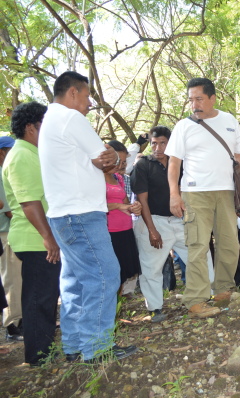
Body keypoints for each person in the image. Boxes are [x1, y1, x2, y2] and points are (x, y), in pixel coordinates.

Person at [38, 71, 137, 363]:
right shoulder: (71, 118)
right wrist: (117, 159)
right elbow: (108, 159)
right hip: (81, 213)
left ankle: (74, 345)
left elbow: (104, 160)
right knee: (105, 275)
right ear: (72, 93)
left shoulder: (50, 121)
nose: (90, 103)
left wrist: (111, 159)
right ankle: (97, 348)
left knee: (75, 281)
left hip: (62, 214)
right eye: (86, 95)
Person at [166, 77, 240, 317]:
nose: (194, 104)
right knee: (198, 246)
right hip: (194, 193)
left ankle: (223, 291)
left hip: (226, 192)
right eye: (191, 99)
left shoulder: (229, 121)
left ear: (213, 98)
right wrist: (174, 194)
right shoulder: (183, 126)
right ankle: (196, 299)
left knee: (230, 244)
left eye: (199, 99)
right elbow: (174, 162)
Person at [3, 102, 61, 367]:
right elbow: (29, 203)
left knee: (45, 296)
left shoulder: (31, 153)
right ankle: (38, 356)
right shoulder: (21, 156)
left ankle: (43, 349)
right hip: (35, 238)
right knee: (39, 298)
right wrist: (48, 238)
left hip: (40, 236)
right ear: (31, 128)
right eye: (44, 126)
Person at [131, 126, 192, 322]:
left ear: (171, 142)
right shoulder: (143, 165)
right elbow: (143, 200)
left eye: (162, 143)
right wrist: (152, 230)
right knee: (152, 267)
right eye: (153, 143)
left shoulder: (179, 163)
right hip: (154, 221)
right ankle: (155, 308)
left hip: (180, 220)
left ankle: (203, 296)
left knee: (199, 256)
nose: (157, 148)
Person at [104, 140, 142, 292]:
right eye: (117, 161)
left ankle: (116, 309)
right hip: (110, 232)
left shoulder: (118, 178)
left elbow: (126, 202)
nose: (120, 165)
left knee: (122, 275)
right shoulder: (96, 178)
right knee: (112, 274)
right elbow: (97, 206)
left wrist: (135, 207)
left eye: (122, 161)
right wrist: (119, 206)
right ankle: (111, 311)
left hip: (125, 230)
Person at [0, 136, 23, 342]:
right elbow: (8, 210)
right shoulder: (2, 173)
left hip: (15, 230)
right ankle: (12, 324)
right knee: (12, 279)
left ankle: (21, 318)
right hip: (7, 232)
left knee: (20, 278)